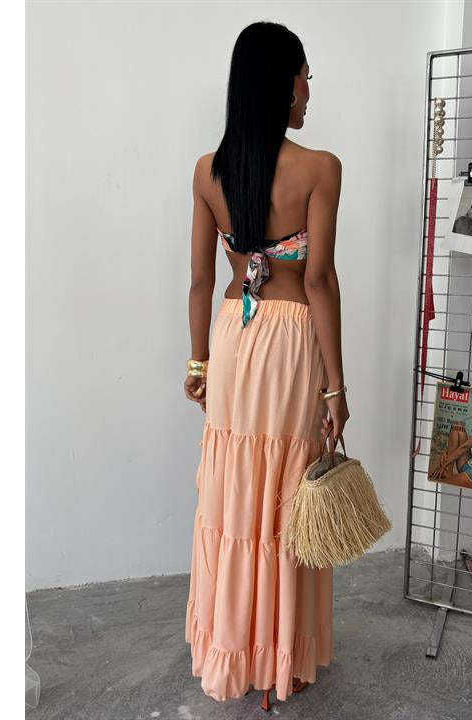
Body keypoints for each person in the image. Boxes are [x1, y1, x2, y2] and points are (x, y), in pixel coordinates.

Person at [182, 21, 348, 712]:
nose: (309, 89)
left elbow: (201, 279)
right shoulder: (320, 169)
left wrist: (199, 362)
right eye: (305, 75)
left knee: (235, 492)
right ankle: (284, 659)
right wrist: (336, 387)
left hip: (233, 337)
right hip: (288, 343)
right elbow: (318, 281)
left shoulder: (208, 171)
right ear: (283, 83)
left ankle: (233, 645)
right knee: (286, 493)